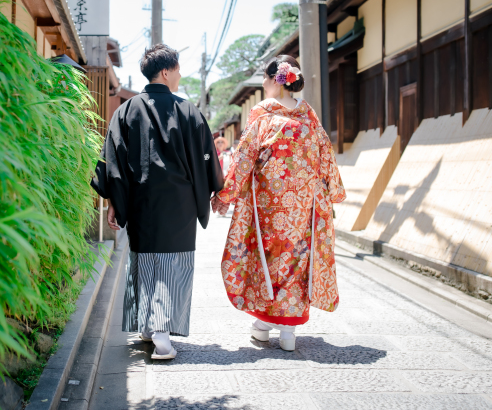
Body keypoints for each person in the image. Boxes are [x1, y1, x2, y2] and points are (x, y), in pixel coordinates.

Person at [92, 44, 224, 360]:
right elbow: (207, 153)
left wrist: (114, 200)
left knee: (144, 260)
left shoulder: (125, 111)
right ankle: (162, 335)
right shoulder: (189, 111)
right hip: (179, 203)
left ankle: (149, 327)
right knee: (172, 263)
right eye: (177, 70)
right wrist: (214, 185)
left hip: (141, 200)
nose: (179, 76)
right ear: (166, 72)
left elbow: (113, 158)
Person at [211, 55, 345, 351]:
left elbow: (243, 159)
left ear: (275, 80)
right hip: (303, 207)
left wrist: (224, 195)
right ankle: (286, 333)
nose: (262, 83)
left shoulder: (262, 114)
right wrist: (333, 191)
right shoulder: (308, 116)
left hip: (268, 207)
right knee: (296, 262)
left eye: (264, 78)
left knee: (267, 261)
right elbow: (326, 155)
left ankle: (264, 324)